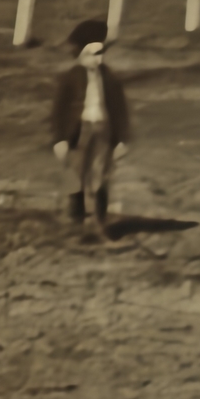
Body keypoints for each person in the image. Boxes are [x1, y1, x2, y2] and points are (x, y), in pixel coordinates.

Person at [50, 19, 130, 238]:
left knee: (100, 175)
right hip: (79, 131)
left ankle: (99, 223)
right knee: (77, 175)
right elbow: (59, 112)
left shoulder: (110, 79)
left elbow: (119, 110)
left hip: (103, 130)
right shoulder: (70, 78)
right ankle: (76, 224)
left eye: (100, 53)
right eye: (92, 54)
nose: (97, 59)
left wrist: (122, 139)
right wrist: (60, 140)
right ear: (82, 55)